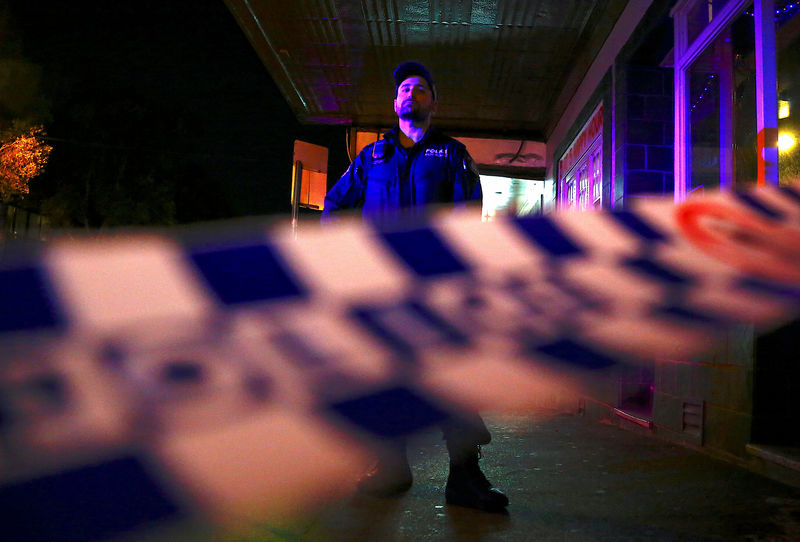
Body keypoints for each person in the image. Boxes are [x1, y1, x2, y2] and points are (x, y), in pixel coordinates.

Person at [322, 61, 509, 513]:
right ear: (395, 102)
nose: (411, 94)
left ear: (432, 102)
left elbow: (470, 218)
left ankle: (464, 477)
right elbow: (335, 203)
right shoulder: (371, 157)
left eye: (420, 88)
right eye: (404, 88)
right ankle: (390, 468)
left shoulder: (452, 154)